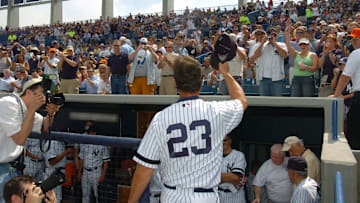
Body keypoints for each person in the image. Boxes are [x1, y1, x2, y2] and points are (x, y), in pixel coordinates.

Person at [128, 56, 247, 203]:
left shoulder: (161, 118)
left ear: (175, 82)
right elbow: (241, 101)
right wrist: (226, 73)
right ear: (201, 80)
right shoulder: (217, 112)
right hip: (206, 196)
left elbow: (145, 168)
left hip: (173, 196)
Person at [0, 78, 59, 203]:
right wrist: (32, 109)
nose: (43, 97)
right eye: (41, 92)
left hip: (12, 167)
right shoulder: (9, 103)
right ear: (28, 92)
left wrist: (51, 113)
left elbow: (44, 126)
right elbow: (20, 139)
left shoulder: (26, 111)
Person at [332, 27, 360, 148]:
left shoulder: (356, 53)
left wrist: (337, 94)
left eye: (355, 39)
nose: (352, 42)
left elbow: (345, 77)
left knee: (354, 133)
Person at [77, 122, 110, 203]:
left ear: (94, 133)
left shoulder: (102, 143)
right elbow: (81, 158)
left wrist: (103, 175)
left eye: (90, 132)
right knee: (85, 195)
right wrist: (79, 172)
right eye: (88, 132)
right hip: (85, 171)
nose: (88, 134)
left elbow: (106, 161)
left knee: (98, 195)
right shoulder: (85, 143)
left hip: (96, 171)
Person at [249, 30, 288, 96]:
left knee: (277, 101)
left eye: (274, 35)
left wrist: (275, 43)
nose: (272, 37)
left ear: (277, 36)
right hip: (264, 78)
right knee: (264, 102)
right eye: (270, 35)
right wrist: (262, 43)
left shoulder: (281, 45)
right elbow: (253, 58)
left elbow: (284, 55)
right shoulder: (258, 46)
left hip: (277, 78)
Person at [285, 22, 319, 97]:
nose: (303, 46)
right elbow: (288, 44)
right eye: (301, 44)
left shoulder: (313, 54)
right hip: (296, 78)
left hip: (308, 79)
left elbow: (315, 68)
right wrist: (287, 32)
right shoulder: (296, 54)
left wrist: (306, 67)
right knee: (295, 98)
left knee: (308, 99)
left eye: (305, 44)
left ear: (308, 45)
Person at [219, 135, 247, 203]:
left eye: (225, 140)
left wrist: (214, 178)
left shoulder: (238, 155)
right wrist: (227, 177)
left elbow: (235, 178)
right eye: (220, 141)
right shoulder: (215, 157)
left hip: (235, 196)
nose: (223, 143)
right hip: (218, 195)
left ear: (230, 141)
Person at [331, 57, 353, 135]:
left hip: (351, 102)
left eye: (343, 65)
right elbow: (333, 87)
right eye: (340, 65)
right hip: (342, 102)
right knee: (342, 121)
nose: (341, 67)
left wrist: (343, 97)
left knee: (350, 122)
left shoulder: (354, 76)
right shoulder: (340, 75)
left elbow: (355, 93)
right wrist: (335, 76)